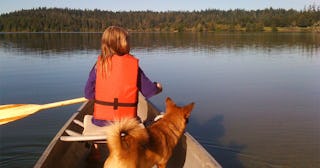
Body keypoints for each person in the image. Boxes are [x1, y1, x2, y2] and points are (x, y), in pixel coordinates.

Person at [84, 26, 162, 127]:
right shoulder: (132, 67)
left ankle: (97, 143)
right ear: (122, 44)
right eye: (128, 41)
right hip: (128, 122)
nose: (130, 44)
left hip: (101, 122)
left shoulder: (98, 66)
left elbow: (88, 94)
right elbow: (149, 91)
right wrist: (158, 87)